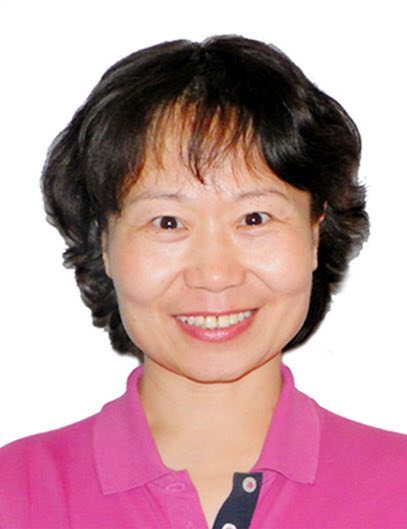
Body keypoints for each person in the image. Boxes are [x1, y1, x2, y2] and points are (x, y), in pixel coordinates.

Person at [1, 34, 406, 529]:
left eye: (254, 218)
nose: (215, 275)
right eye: (168, 222)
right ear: (103, 241)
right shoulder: (15, 493)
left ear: (316, 233)